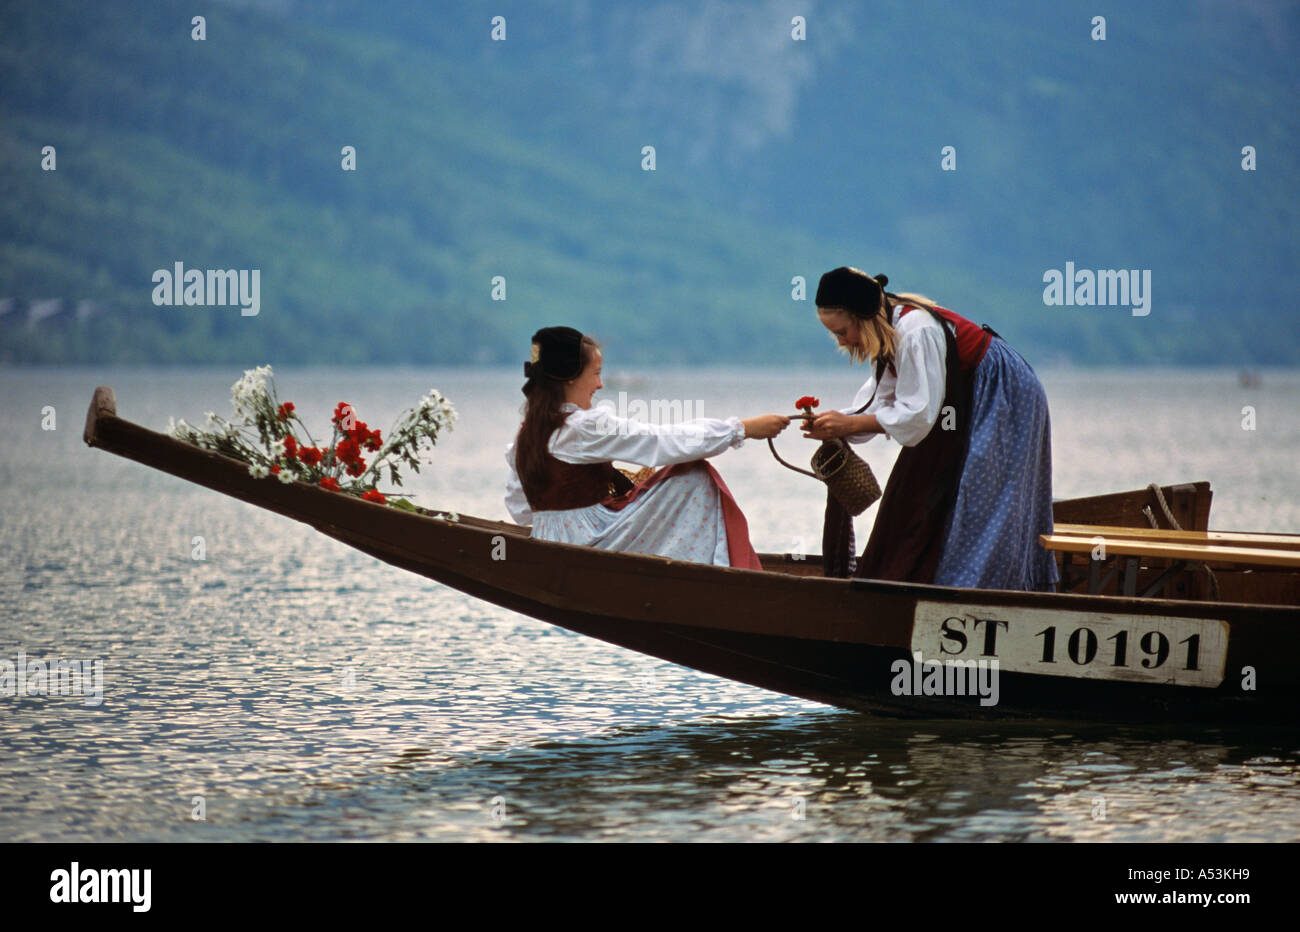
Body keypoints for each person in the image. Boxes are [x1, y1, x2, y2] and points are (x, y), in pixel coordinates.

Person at [803, 267, 1058, 591]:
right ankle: (919, 581)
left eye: (843, 331)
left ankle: (981, 591)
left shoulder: (915, 331)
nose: (841, 341)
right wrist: (838, 425)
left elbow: (918, 414)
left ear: (864, 318)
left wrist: (850, 423)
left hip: (1001, 392)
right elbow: (881, 399)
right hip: (958, 402)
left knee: (981, 493)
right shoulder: (888, 335)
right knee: (920, 488)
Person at [505, 326, 789, 568]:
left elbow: (520, 511)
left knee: (679, 475)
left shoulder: (526, 433)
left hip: (546, 541)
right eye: (595, 373)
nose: (600, 384)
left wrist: (560, 519)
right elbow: (661, 440)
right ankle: (711, 571)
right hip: (587, 543)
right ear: (570, 377)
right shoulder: (583, 427)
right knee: (695, 476)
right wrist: (742, 428)